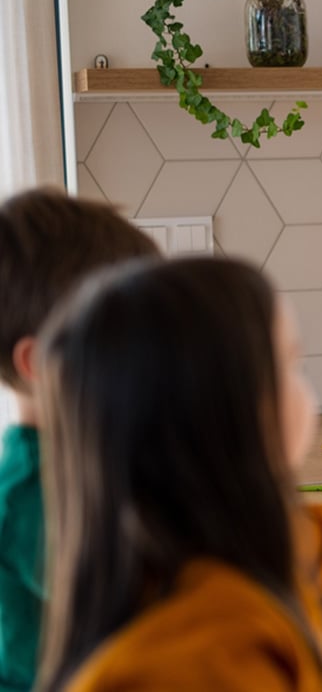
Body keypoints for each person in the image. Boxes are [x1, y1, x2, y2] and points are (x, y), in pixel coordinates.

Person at [33, 256, 322, 690]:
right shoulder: (212, 653)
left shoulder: (223, 552)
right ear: (228, 412)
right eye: (291, 364)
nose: (305, 382)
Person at [0, 187, 162, 691]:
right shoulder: (34, 491)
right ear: (43, 365)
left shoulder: (79, 458)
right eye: (123, 340)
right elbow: (140, 604)